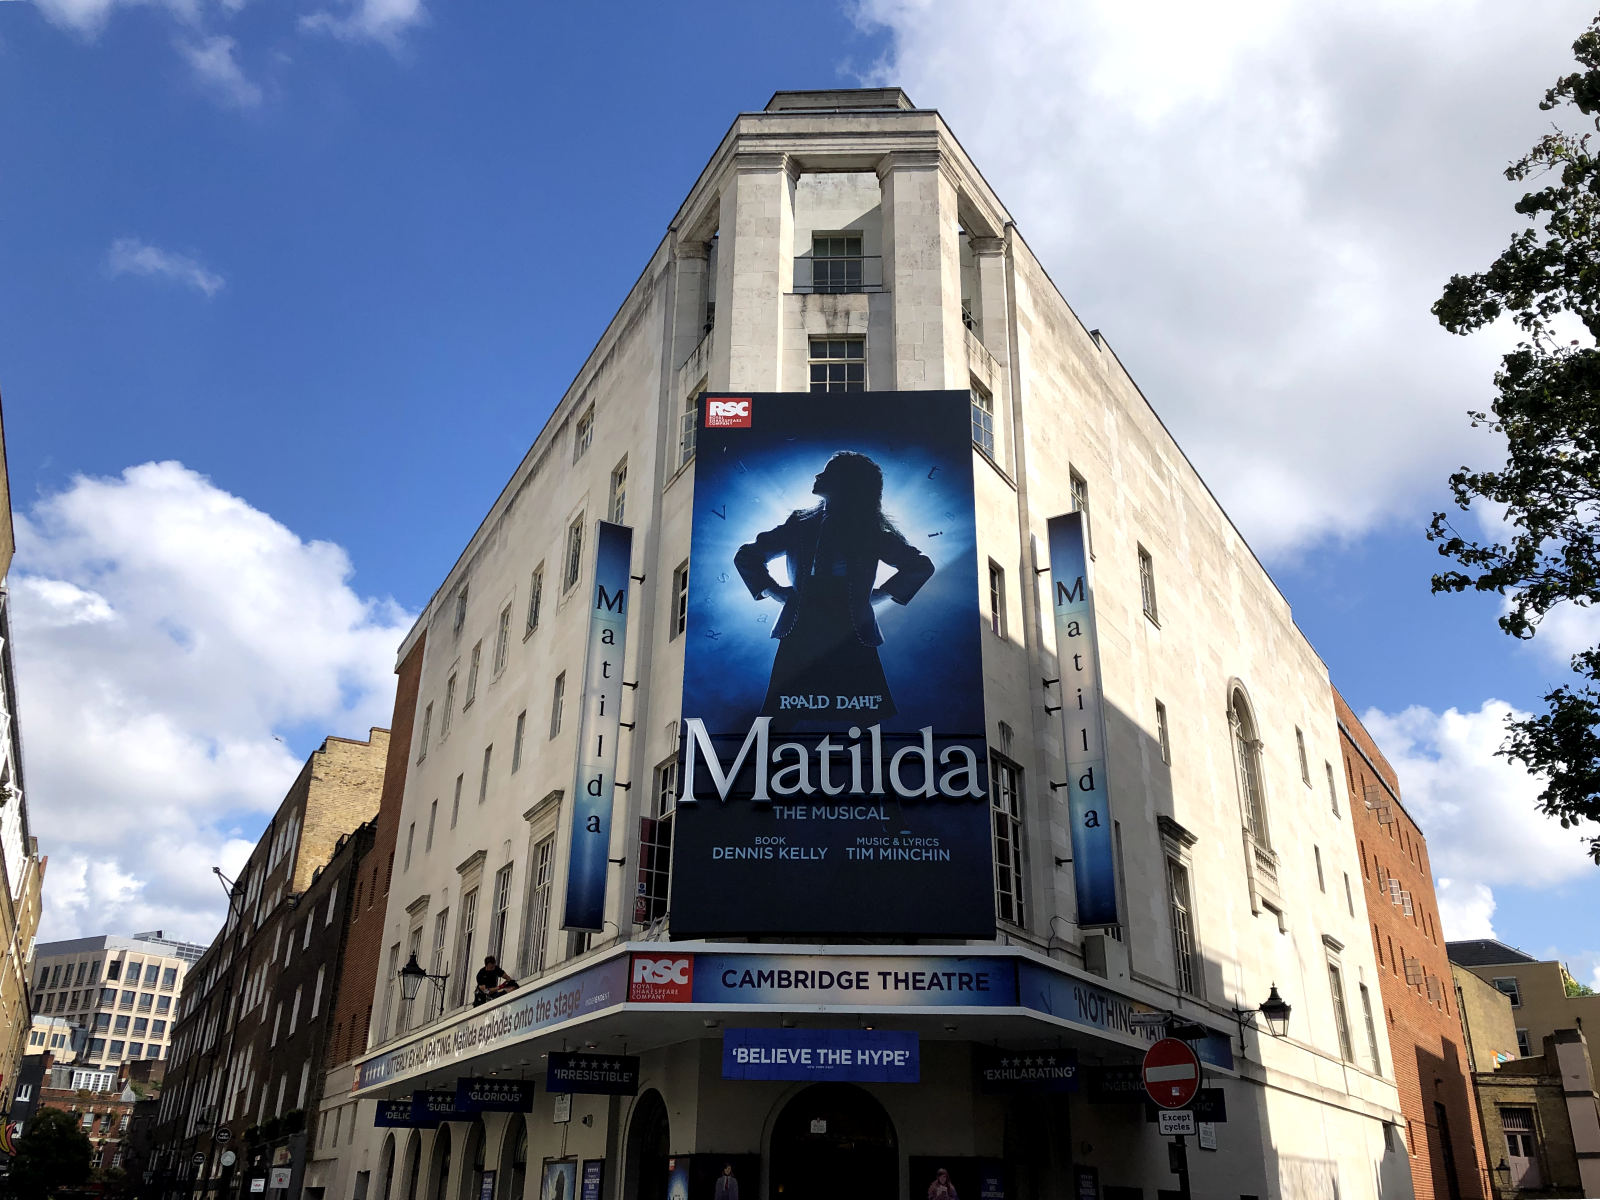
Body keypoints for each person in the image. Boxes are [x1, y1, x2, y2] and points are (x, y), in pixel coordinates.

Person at [735, 452, 934, 729]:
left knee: (864, 710)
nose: (818, 475)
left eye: (828, 472)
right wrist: (772, 590)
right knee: (782, 710)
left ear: (846, 482)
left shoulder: (869, 529)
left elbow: (920, 565)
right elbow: (747, 555)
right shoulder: (800, 524)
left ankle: (878, 757)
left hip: (849, 622)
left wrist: (881, 594)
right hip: (803, 620)